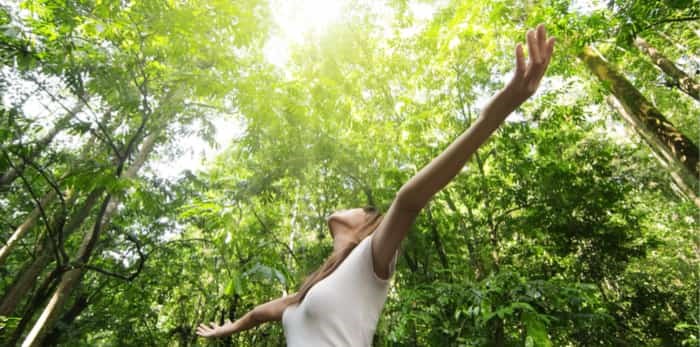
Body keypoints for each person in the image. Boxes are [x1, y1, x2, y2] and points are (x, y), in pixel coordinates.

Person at [197, 23, 555, 345]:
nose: (347, 207)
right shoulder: (304, 296)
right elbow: (258, 314)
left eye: (361, 208)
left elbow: (409, 200)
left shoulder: (371, 257)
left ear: (367, 224)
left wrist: (496, 112)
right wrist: (225, 329)